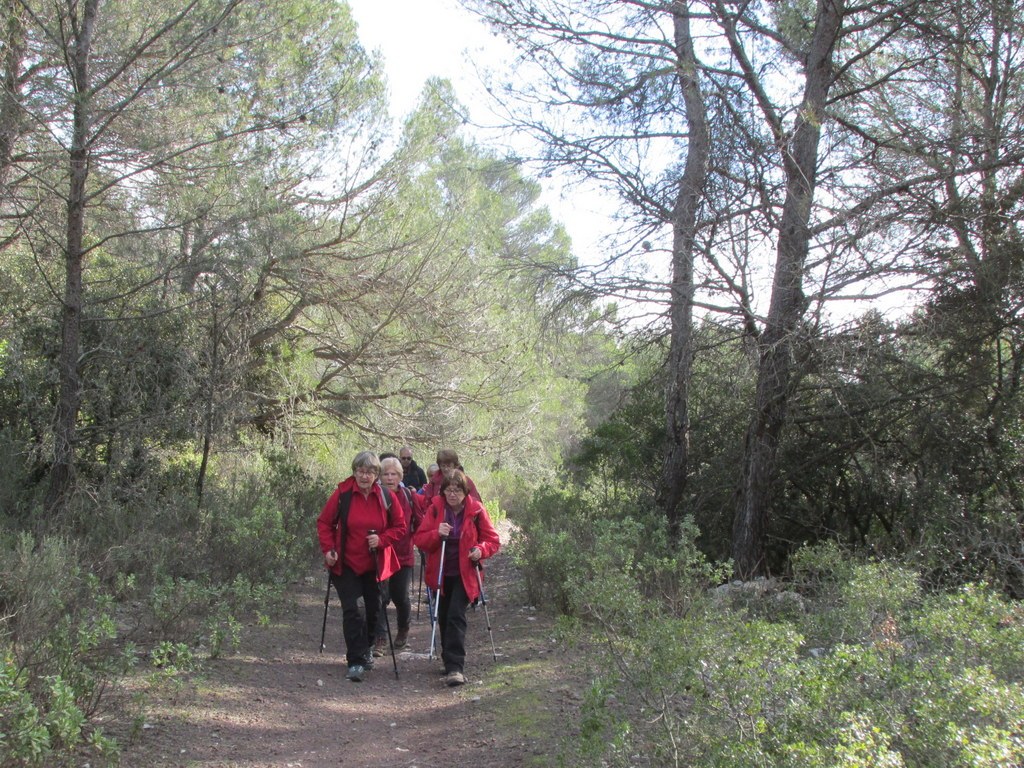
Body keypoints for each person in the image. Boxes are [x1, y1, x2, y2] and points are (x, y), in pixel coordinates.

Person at [317, 451, 406, 682]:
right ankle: (355, 660)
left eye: (369, 472)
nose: (364, 476)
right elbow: (325, 523)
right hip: (345, 563)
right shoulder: (342, 494)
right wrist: (328, 550)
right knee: (353, 609)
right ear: (354, 471)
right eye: (360, 471)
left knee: (374, 611)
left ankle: (366, 648)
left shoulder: (386, 496)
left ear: (376, 475)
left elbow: (400, 526)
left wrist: (382, 540)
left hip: (375, 565)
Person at [413, 469, 500, 686]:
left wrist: (480, 550)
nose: (452, 494)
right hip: (441, 572)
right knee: (442, 617)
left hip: (466, 573)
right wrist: (436, 533)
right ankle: (447, 659)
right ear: (443, 492)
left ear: (465, 491)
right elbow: (420, 540)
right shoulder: (435, 509)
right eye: (448, 490)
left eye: (457, 490)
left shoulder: (476, 510)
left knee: (455, 616)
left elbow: (493, 540)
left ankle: (455, 667)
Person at [373, 456, 420, 656]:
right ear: (379, 476)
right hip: (380, 555)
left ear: (400, 476)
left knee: (400, 596)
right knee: (381, 597)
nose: (390, 478)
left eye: (394, 474)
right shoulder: (374, 496)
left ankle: (403, 630)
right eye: (386, 474)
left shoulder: (409, 497)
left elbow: (420, 522)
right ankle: (380, 639)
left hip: (403, 555)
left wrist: (421, 541)